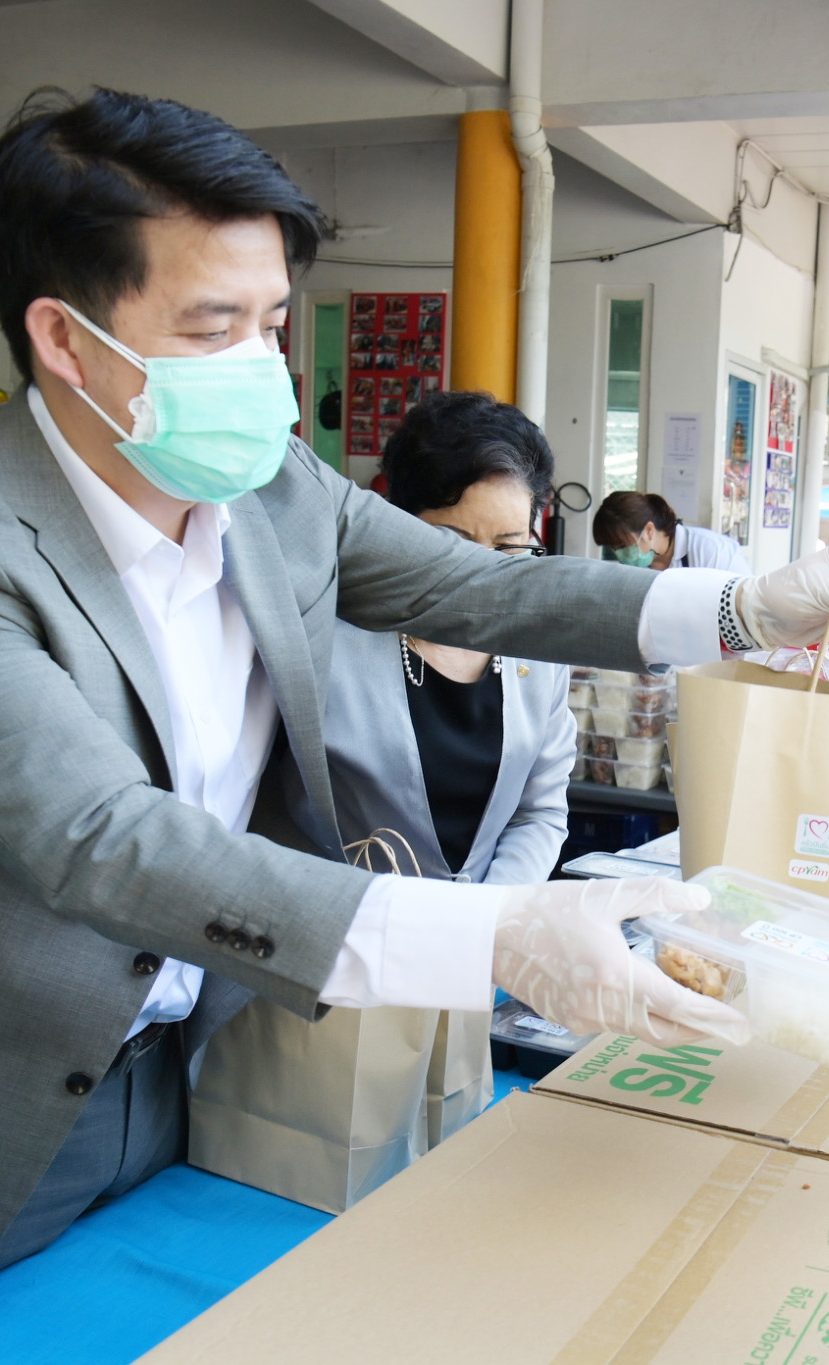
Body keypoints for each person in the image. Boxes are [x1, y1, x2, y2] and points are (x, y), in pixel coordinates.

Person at [0, 88, 829, 1303]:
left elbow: (477, 588)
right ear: (64, 338)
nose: (263, 369)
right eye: (213, 328)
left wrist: (747, 609)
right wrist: (499, 938)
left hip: (190, 1067)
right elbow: (101, 841)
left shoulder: (271, 492)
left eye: (272, 323)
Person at [294, 391, 578, 1142]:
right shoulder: (325, 636)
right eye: (451, 542)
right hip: (332, 976)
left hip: (466, 972)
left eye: (509, 547)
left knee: (448, 1157)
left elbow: (541, 810)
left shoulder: (538, 647)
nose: (480, 573)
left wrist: (480, 922)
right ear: (395, 524)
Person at [592, 490, 747, 572]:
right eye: (613, 548)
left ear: (649, 531)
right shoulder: (636, 571)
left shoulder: (713, 551)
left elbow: (746, 603)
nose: (619, 555)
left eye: (623, 546)